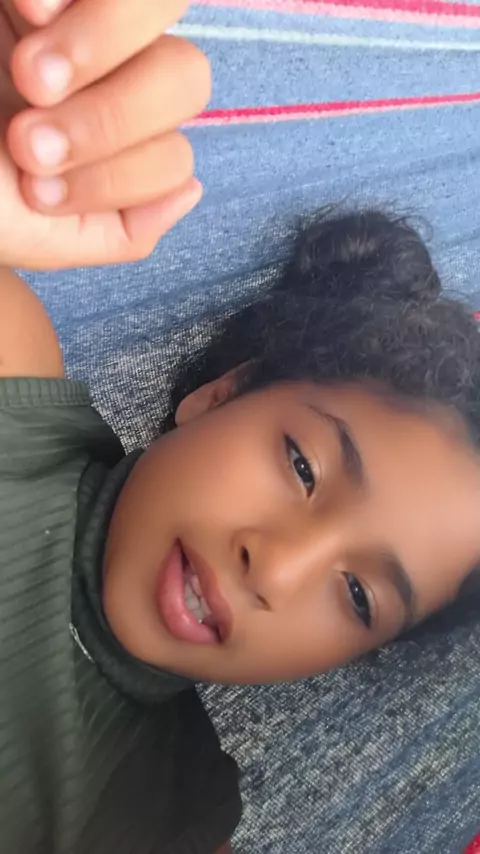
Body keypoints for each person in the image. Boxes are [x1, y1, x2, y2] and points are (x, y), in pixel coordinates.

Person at [1, 2, 480, 853]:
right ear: (222, 394)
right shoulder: (14, 371)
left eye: (359, 596)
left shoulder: (175, 817)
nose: (279, 569)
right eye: (303, 466)